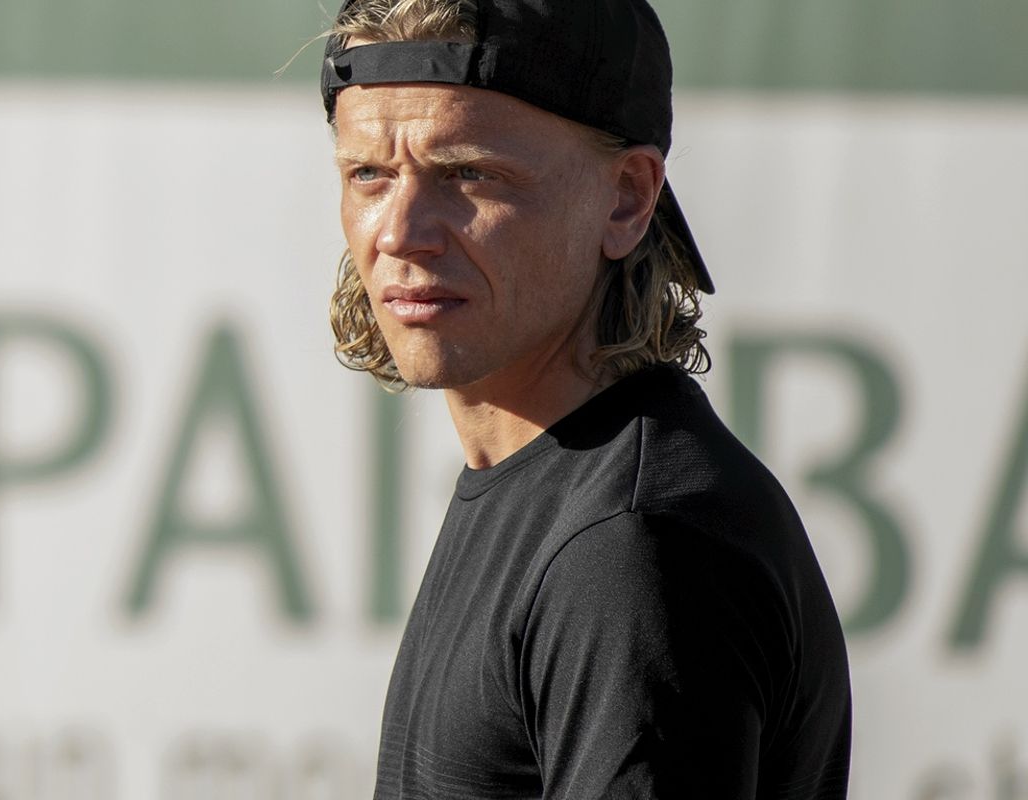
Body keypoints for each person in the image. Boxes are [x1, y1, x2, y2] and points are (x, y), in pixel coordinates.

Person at [319, 0, 853, 797]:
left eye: (469, 173)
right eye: (370, 173)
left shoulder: (630, 548)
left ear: (626, 199)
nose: (401, 232)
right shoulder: (553, 484)